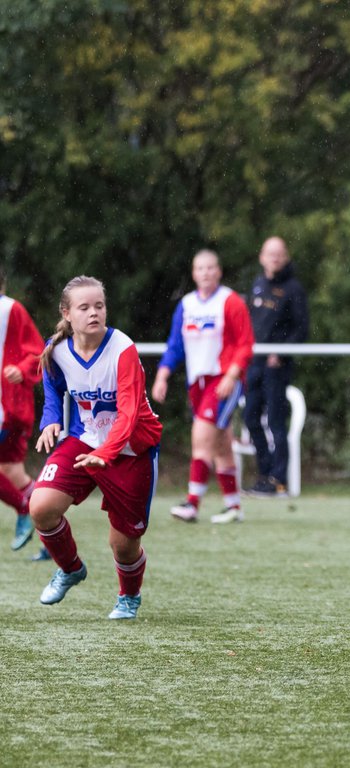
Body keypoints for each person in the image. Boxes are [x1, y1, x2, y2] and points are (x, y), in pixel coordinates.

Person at [31, 276, 163, 619]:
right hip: (84, 438)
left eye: (99, 306)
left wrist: (105, 455)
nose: (94, 313)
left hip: (132, 451)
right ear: (67, 313)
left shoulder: (123, 350)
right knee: (41, 506)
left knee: (122, 544)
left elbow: (129, 414)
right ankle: (71, 568)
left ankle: (128, 597)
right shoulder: (56, 348)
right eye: (84, 307)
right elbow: (52, 384)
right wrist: (49, 419)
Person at [152, 250, 255, 524]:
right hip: (197, 383)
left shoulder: (230, 301)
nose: (206, 272)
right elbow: (175, 345)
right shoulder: (187, 305)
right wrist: (162, 375)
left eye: (211, 268)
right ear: (194, 273)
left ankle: (192, 504)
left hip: (221, 380)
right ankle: (233, 506)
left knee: (201, 438)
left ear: (219, 271)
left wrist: (231, 377)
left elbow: (245, 344)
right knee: (221, 444)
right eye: (200, 268)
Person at [243, 236, 308, 498]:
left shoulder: (293, 289)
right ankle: (265, 475)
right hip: (253, 363)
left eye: (279, 254)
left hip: (276, 367)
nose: (274, 258)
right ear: (262, 257)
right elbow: (249, 324)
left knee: (276, 422)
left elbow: (301, 329)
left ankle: (279, 480)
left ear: (286, 257)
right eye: (270, 254)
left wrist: (280, 353)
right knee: (250, 418)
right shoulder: (257, 285)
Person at [0, 265, 47, 556]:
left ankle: (23, 510)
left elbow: (37, 352)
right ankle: (52, 538)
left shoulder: (10, 310)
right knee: (12, 472)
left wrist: (22, 368)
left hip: (8, 407)